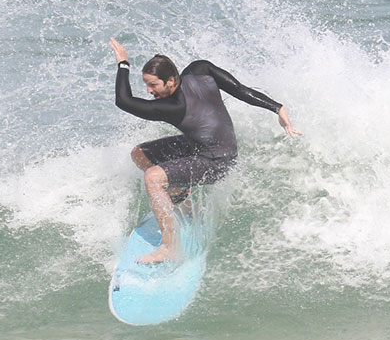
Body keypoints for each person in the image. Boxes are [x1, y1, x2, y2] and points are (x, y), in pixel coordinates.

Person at [109, 37, 301, 263]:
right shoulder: (200, 69)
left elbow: (124, 101)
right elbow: (240, 90)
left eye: (153, 85)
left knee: (153, 178)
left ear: (171, 81)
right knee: (139, 154)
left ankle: (170, 247)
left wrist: (123, 64)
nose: (149, 91)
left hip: (217, 161)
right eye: (147, 85)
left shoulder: (173, 106)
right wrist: (278, 108)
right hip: (198, 145)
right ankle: (181, 199)